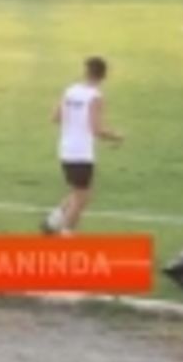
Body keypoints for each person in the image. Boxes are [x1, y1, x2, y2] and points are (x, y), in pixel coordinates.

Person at [41, 57, 123, 237]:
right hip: (81, 153)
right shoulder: (95, 97)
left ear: (86, 72)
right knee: (81, 198)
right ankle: (65, 233)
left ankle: (52, 221)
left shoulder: (70, 91)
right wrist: (116, 136)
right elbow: (96, 129)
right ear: (103, 75)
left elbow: (55, 117)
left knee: (79, 193)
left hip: (65, 149)